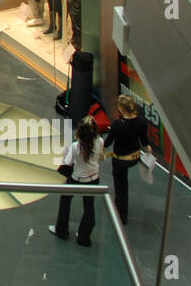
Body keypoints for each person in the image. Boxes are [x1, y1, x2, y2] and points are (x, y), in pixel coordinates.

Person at [50, 115, 104, 246]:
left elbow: (68, 162)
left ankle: (61, 231)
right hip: (93, 178)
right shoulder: (100, 141)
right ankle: (83, 237)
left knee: (65, 200)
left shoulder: (75, 146)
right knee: (89, 206)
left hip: (77, 178)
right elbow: (100, 157)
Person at [102, 95, 152, 225]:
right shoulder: (142, 122)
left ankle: (121, 215)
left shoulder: (117, 125)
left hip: (121, 160)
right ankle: (121, 210)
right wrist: (148, 151)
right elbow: (145, 143)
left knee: (121, 186)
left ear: (121, 109)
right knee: (122, 185)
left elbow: (107, 143)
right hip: (135, 157)